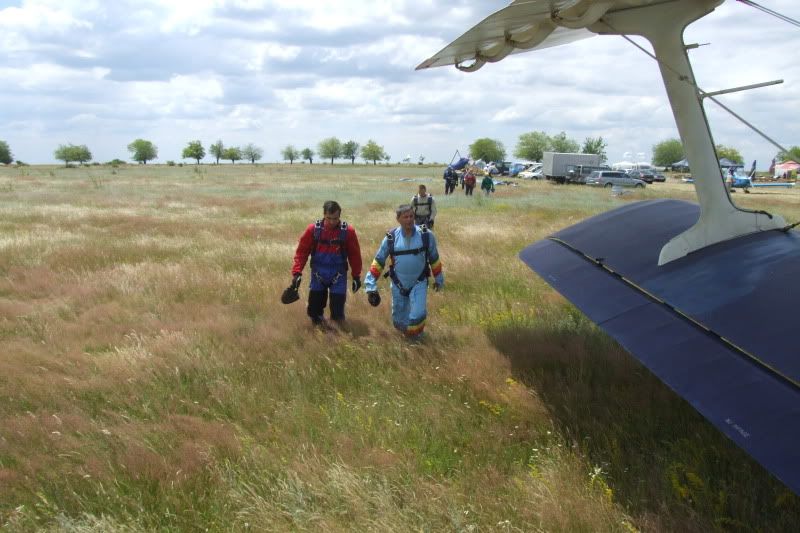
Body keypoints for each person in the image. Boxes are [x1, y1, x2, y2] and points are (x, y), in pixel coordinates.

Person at [364, 204, 444, 339]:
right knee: (399, 321)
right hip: (398, 284)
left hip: (419, 282)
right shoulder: (390, 238)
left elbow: (434, 259)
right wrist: (370, 286)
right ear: (398, 219)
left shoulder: (426, 235)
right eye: (405, 217)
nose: (409, 220)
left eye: (411, 216)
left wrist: (439, 279)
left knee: (418, 315)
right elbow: (378, 262)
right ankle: (408, 336)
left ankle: (416, 342)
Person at [291, 200, 362, 325]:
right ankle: (319, 333)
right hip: (318, 275)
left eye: (335, 218)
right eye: (329, 218)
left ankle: (337, 336)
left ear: (339, 216)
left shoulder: (348, 232)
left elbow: (354, 255)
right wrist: (297, 272)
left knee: (337, 314)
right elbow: (301, 252)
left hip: (338, 276)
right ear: (324, 214)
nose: (332, 222)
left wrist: (356, 276)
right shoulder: (313, 230)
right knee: (314, 313)